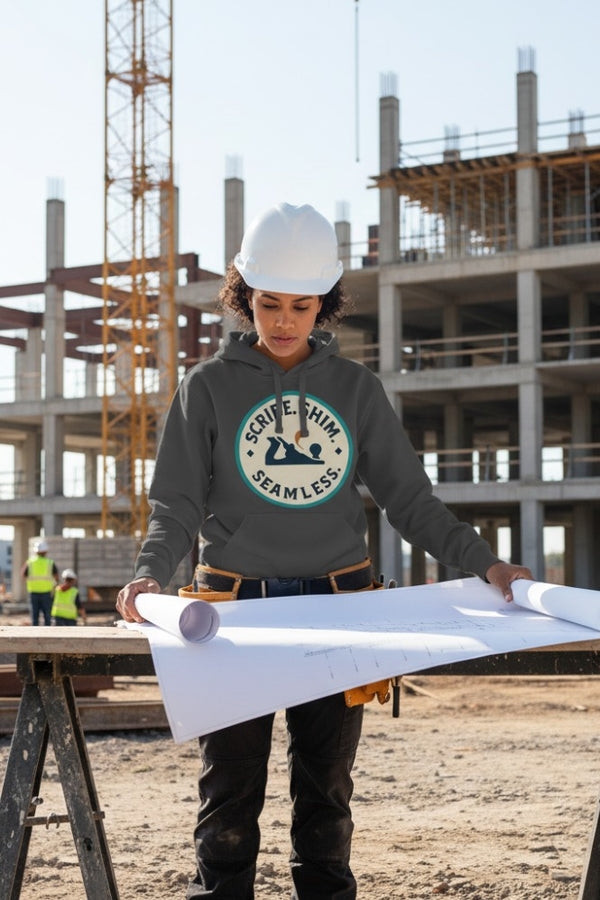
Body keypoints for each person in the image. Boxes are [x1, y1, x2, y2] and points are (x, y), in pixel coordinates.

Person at [117, 202, 533, 900]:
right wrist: (148, 575)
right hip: (229, 614)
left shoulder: (355, 391)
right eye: (268, 302)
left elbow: (411, 503)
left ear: (326, 304)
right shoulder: (207, 388)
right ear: (243, 295)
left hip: (341, 612)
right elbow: (177, 507)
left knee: (326, 810)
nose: (283, 321)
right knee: (226, 808)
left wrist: (485, 561)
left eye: (301, 306)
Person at [21, 539, 59, 626]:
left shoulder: (30, 562)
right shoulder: (50, 562)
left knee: (35, 617)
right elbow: (56, 576)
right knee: (47, 616)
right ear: (45, 551)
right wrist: (55, 584)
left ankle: (35, 636)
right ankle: (47, 636)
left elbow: (23, 574)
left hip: (33, 592)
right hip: (46, 592)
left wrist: (30, 582)